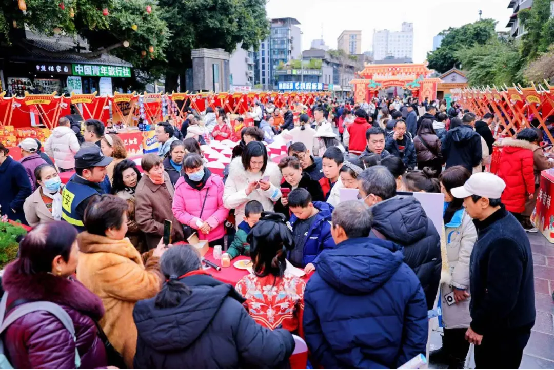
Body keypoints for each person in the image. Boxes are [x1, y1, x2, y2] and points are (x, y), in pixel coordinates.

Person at [303, 201, 428, 369]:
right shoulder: (405, 275)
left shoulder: (317, 281)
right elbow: (417, 330)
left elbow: (313, 335)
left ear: (338, 230)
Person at [132, 244, 295, 369]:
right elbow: (266, 351)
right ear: (199, 267)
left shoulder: (147, 314)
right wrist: (285, 336)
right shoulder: (228, 307)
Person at [450, 173, 535, 369]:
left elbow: (501, 296)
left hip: (504, 330)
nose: (463, 204)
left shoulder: (503, 239)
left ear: (484, 202)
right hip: (500, 324)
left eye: (466, 199)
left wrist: (478, 326)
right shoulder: (494, 224)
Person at [1, 221, 108, 369]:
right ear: (58, 262)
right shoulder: (45, 325)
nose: (79, 255)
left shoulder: (28, 280)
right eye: (76, 251)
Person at [77, 195, 165, 368]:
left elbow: (130, 268)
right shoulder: (104, 262)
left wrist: (152, 255)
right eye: (125, 221)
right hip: (128, 334)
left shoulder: (100, 245)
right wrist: (157, 261)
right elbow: (150, 286)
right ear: (110, 229)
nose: (127, 225)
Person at [359, 166, 441, 310]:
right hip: (416, 308)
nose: (359, 199)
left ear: (372, 198)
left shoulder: (369, 231)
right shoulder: (427, 221)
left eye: (360, 194)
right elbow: (435, 271)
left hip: (384, 315)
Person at [428, 166, 476, 369]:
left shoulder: (468, 217)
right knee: (448, 316)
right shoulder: (444, 208)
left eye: (444, 188)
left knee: (460, 320)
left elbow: (467, 256)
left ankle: (457, 359)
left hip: (459, 280)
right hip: (445, 273)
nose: (441, 192)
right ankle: (446, 350)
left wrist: (459, 284)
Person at [236, 212, 306, 333]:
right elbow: (304, 327)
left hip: (254, 345)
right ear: (282, 251)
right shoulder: (298, 285)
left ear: (255, 251)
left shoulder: (243, 286)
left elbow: (239, 328)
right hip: (289, 345)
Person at [172, 153, 229, 246]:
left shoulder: (216, 182)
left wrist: (210, 223)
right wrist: (195, 222)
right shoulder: (180, 186)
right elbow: (178, 211)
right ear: (185, 171)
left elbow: (224, 206)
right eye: (191, 171)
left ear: (203, 166)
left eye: (198, 170)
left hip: (216, 234)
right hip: (194, 236)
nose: (195, 173)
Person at [223, 141, 282, 226]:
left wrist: (269, 188)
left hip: (266, 220)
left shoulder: (271, 171)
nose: (257, 166)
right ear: (246, 159)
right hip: (244, 222)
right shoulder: (236, 172)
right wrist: (246, 192)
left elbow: (277, 197)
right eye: (253, 162)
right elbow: (227, 203)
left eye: (260, 162)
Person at [135, 154, 185, 250]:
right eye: (156, 169)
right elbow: (143, 221)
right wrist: (167, 230)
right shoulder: (142, 192)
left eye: (161, 167)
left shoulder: (164, 174)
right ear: (146, 172)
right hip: (161, 239)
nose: (160, 171)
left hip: (178, 229)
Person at [62, 146, 112, 232]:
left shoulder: (73, 180)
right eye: (102, 169)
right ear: (86, 172)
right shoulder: (89, 199)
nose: (106, 172)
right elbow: (101, 228)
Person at [288, 188, 335, 272]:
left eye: (300, 213)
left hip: (312, 270)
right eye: (293, 212)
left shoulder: (326, 223)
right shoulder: (294, 218)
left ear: (310, 205)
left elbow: (330, 249)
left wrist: (315, 263)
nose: (297, 215)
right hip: (292, 268)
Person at [496, 129, 535, 227]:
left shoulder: (506, 148)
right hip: (518, 186)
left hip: (503, 183)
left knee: (503, 207)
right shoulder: (527, 153)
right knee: (514, 213)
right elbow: (528, 174)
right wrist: (531, 190)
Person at [523, 129, 554, 232]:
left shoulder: (523, 146)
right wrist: (551, 163)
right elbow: (543, 165)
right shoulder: (536, 149)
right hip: (533, 178)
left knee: (525, 199)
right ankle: (525, 222)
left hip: (523, 176)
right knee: (531, 200)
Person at [112, 159, 146, 252]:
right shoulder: (119, 198)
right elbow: (127, 223)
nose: (132, 178)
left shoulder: (143, 185)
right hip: (135, 239)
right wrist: (145, 225)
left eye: (133, 174)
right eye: (127, 176)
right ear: (121, 179)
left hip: (148, 232)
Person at [0, 143, 32, 223]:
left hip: (14, 212)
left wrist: (13, 206)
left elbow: (26, 188)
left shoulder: (15, 166)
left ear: (2, 152)